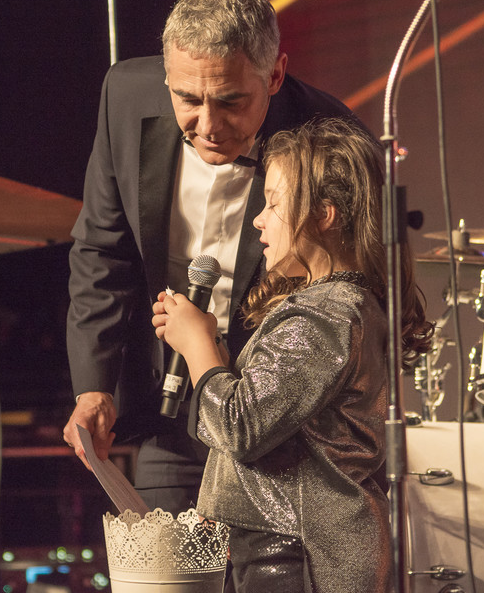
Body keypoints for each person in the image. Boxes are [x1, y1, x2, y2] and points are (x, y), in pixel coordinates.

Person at [62, 0, 365, 513]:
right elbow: (102, 252)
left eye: (230, 101)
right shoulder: (124, 95)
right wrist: (93, 388)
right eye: (187, 99)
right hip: (172, 412)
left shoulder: (329, 135)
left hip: (281, 423)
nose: (207, 125)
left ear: (275, 75)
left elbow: (346, 290)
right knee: (162, 555)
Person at [151, 118, 432, 591]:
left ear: (325, 215)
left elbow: (241, 427)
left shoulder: (325, 314)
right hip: (294, 548)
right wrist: (214, 354)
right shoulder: (335, 306)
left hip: (302, 557)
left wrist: (198, 347)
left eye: (274, 203)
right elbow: (267, 427)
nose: (258, 219)